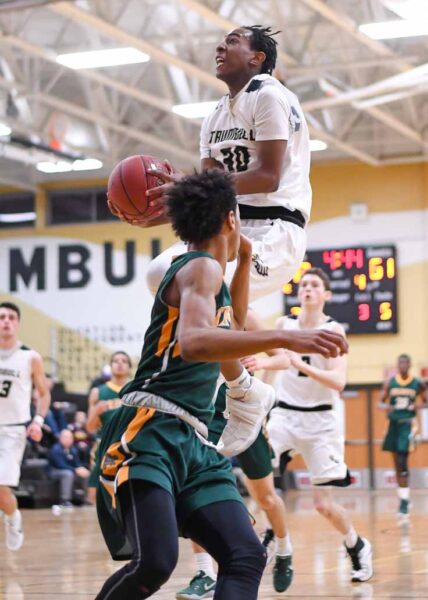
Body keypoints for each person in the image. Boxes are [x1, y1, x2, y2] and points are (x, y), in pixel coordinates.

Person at [95, 171, 347, 599]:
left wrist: (245, 259)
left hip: (194, 438)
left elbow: (231, 323)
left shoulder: (209, 274)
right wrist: (287, 337)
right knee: (155, 562)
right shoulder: (200, 268)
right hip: (151, 426)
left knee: (245, 554)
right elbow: (196, 342)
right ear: (231, 219)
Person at [109, 25, 311, 304]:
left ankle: (237, 330)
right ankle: (236, 330)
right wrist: (153, 216)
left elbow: (268, 177)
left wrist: (189, 184)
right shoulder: (215, 116)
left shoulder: (268, 95)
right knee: (159, 274)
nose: (220, 47)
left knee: (200, 279)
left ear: (256, 58)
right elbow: (212, 199)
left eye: (233, 41)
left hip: (274, 230)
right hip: (229, 225)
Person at [266, 268, 373, 583]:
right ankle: (272, 536)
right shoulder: (284, 325)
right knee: (259, 478)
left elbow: (339, 381)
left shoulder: (333, 330)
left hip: (322, 421)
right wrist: (260, 405)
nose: (307, 288)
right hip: (285, 415)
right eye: (303, 284)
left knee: (323, 505)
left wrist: (301, 364)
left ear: (326, 294)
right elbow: (275, 366)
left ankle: (357, 545)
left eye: (314, 284)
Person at [177, 317, 293, 600]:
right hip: (208, 413)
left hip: (244, 410)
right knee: (199, 491)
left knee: (266, 498)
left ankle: (284, 549)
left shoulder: (244, 313)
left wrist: (260, 361)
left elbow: (284, 358)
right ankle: (205, 573)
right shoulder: (192, 310)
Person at [0, 301, 50, 551]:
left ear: (18, 323)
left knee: (1, 488)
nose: (6, 321)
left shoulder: (30, 357)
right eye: (2, 317)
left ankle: (13, 518)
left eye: (11, 317)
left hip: (13, 429)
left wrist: (38, 421)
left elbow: (44, 393)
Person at [379, 354, 428, 522]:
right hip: (392, 424)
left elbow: (427, 403)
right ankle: (403, 496)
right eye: (400, 363)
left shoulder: (417, 383)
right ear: (397, 365)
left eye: (405, 363)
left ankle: (403, 503)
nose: (402, 365)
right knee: (396, 463)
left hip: (407, 424)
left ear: (409, 365)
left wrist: (417, 405)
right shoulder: (390, 382)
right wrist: (387, 406)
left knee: (402, 461)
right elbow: (380, 402)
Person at [86, 351, 132, 502]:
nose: (119, 364)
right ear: (110, 366)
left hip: (129, 444)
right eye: (116, 361)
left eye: (124, 361)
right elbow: (90, 428)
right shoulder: (98, 392)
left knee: (126, 490)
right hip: (104, 445)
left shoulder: (136, 390)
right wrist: (96, 412)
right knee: (96, 491)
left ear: (129, 367)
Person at [48, 429, 90, 509]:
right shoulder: (55, 449)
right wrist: (75, 470)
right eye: (66, 437)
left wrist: (80, 469)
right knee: (68, 474)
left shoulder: (73, 450)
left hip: (69, 470)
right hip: (54, 471)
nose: (68, 440)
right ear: (61, 438)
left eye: (70, 437)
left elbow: (76, 463)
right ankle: (65, 500)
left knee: (85, 473)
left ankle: (84, 499)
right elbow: (60, 465)